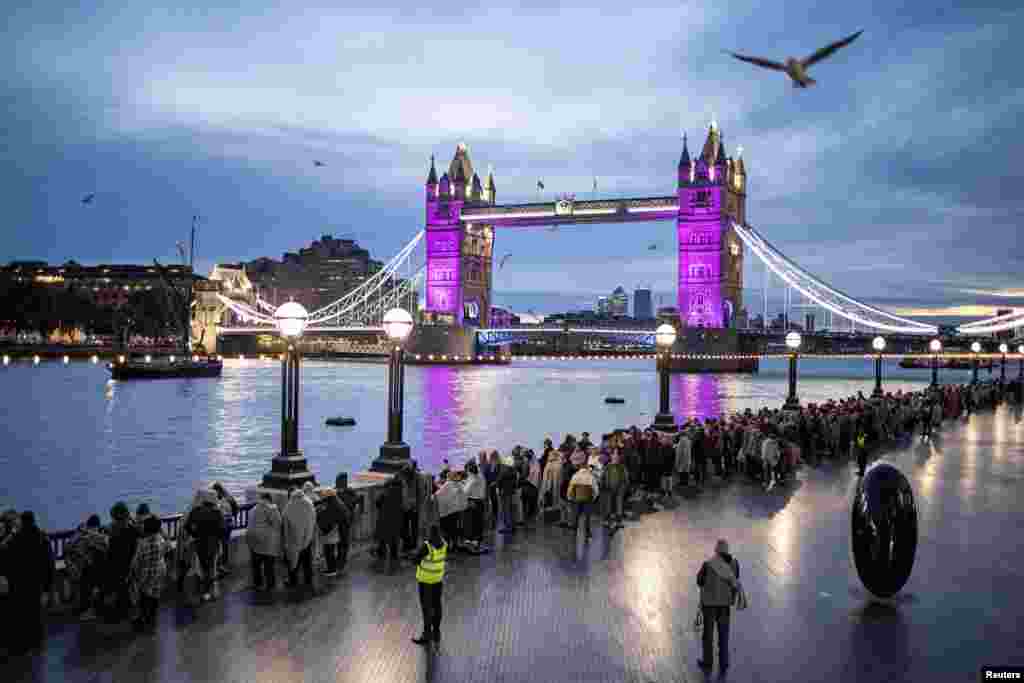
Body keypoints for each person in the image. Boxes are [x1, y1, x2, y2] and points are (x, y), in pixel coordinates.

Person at [3, 511, 54, 654]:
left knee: (23, 612)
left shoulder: (16, 538)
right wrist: (48, 585)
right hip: (37, 581)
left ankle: (24, 642)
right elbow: (49, 562)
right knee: (36, 612)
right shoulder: (42, 537)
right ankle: (37, 641)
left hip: (20, 581)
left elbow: (7, 558)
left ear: (22, 522)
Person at [696, 539, 740, 674]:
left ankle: (708, 664)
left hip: (709, 606)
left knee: (708, 637)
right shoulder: (734, 564)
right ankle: (723, 665)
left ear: (716, 551)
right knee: (724, 637)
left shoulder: (708, 564)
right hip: (725, 607)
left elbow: (699, 581)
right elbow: (735, 579)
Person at [185, 489, 225, 603]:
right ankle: (207, 592)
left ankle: (203, 590)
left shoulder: (196, 511)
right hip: (213, 543)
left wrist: (195, 534)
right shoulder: (217, 512)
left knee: (202, 566)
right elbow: (222, 529)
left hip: (199, 542)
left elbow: (187, 526)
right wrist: (217, 538)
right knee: (210, 567)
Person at [66, 514, 108, 621]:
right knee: (91, 584)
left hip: (74, 566)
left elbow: (68, 547)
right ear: (96, 525)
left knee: (86, 585)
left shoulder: (79, 534)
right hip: (84, 568)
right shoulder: (93, 535)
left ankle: (83, 608)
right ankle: (89, 609)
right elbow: (105, 545)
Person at [411, 525, 447, 647]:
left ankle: (426, 635)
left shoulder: (427, 546)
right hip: (438, 580)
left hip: (425, 581)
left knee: (426, 608)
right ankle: (436, 633)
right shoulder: (444, 544)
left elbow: (415, 560)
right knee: (437, 606)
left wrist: (414, 554)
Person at [129, 515, 166, 632]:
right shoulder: (161, 540)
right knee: (154, 599)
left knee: (144, 601)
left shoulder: (142, 544)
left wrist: (133, 574)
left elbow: (136, 562)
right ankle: (152, 623)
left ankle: (144, 622)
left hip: (145, 576)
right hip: (159, 574)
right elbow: (167, 549)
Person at [105, 501, 139, 616]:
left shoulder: (114, 532)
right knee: (127, 593)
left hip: (117, 568)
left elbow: (110, 552)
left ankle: (121, 613)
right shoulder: (133, 530)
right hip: (130, 566)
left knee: (121, 593)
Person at [246, 492, 282, 591]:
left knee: (256, 564)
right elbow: (278, 524)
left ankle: (257, 583)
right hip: (266, 541)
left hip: (252, 539)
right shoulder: (271, 509)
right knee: (268, 565)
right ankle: (270, 585)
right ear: (270, 499)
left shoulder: (253, 509)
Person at [283, 488, 316, 590]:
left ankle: (293, 580)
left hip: (294, 539)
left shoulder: (289, 506)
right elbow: (313, 519)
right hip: (307, 538)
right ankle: (308, 580)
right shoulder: (309, 503)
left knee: (293, 562)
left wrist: (286, 541)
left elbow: (285, 523)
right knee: (307, 561)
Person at [317, 489, 350, 577]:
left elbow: (328, 520)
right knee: (340, 549)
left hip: (337, 532)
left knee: (329, 550)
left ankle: (332, 569)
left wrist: (319, 514)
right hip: (343, 530)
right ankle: (338, 566)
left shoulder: (333, 505)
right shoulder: (338, 502)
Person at [375, 478, 404, 572]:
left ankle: (381, 554)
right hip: (396, 519)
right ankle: (394, 555)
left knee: (383, 538)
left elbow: (377, 503)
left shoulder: (384, 493)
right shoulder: (399, 493)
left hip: (384, 519)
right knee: (394, 539)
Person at [211, 482, 239, 575]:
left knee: (221, 544)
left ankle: (222, 564)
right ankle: (223, 564)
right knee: (225, 544)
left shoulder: (220, 500)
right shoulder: (229, 497)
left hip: (223, 525)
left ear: (218, 491)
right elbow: (236, 508)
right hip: (229, 523)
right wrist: (231, 516)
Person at [567, 464, 599, 539]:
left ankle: (574, 530)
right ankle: (587, 532)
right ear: (587, 469)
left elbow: (570, 487)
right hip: (588, 498)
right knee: (587, 516)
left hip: (577, 498)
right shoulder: (591, 476)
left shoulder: (575, 475)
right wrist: (594, 497)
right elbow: (595, 489)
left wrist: (569, 497)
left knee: (576, 514)